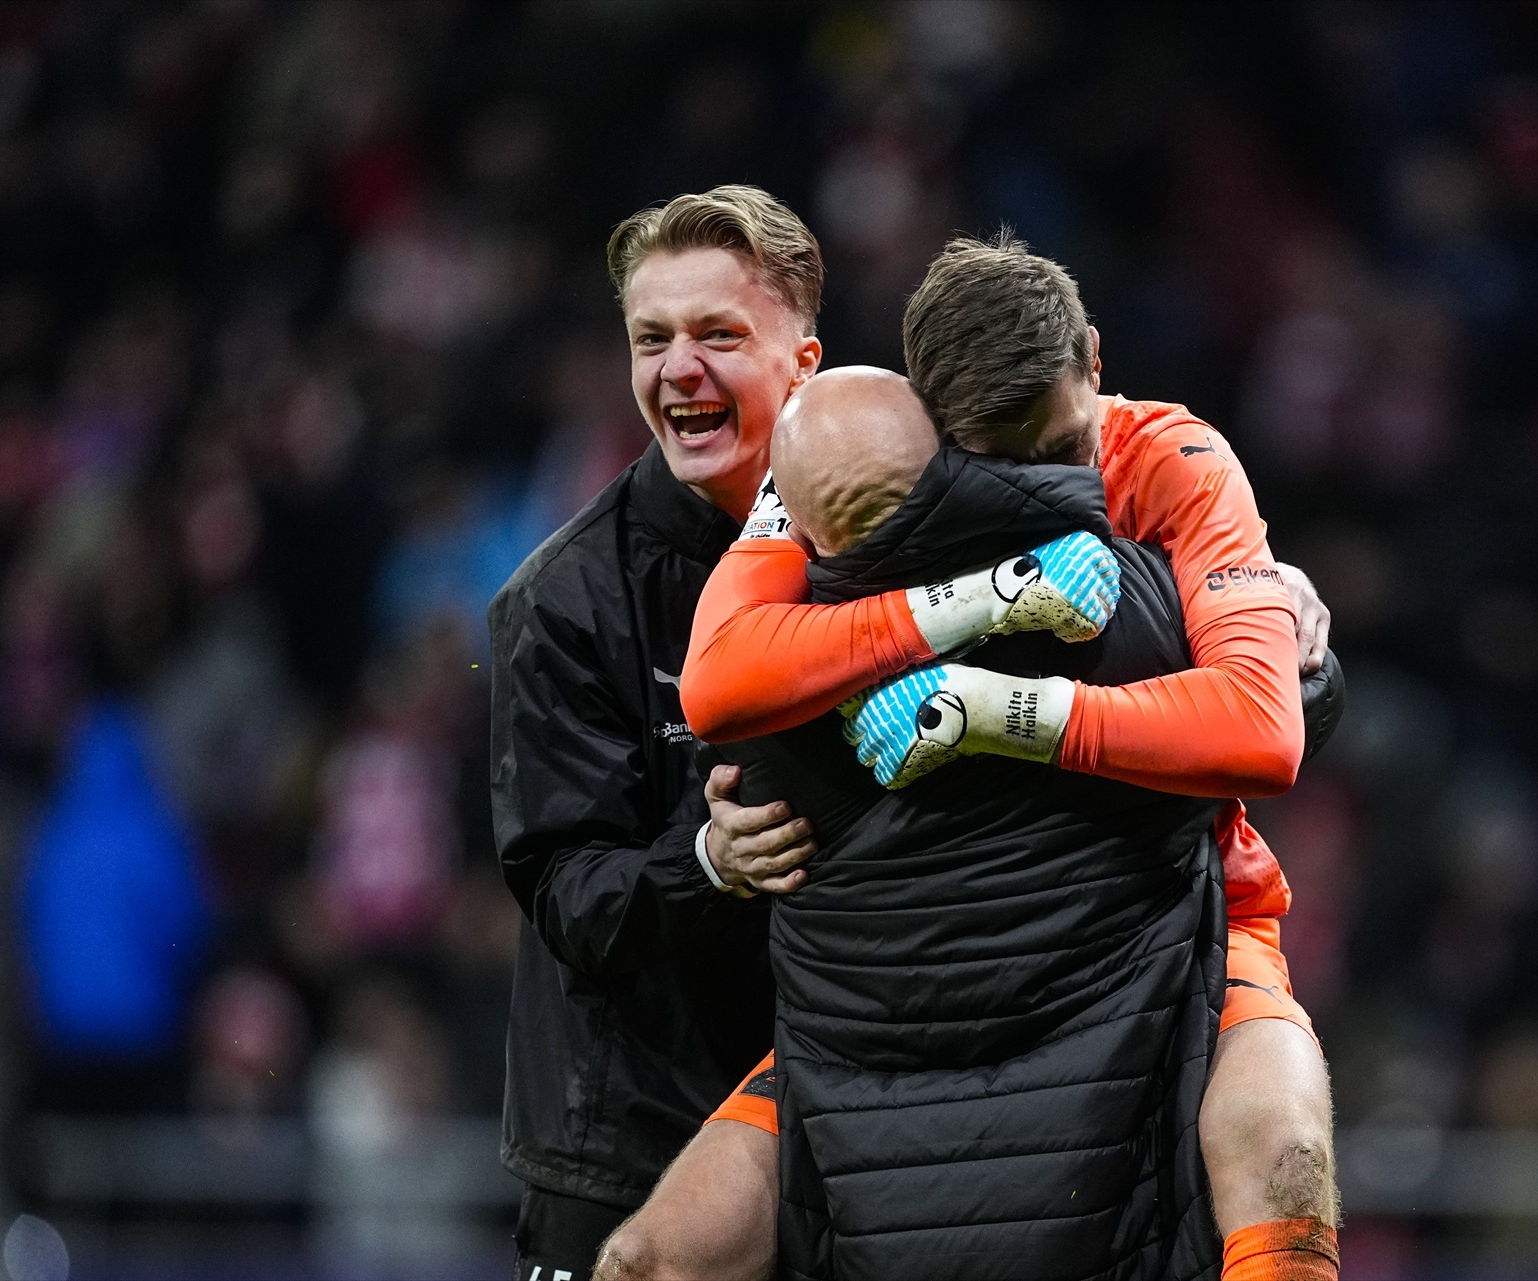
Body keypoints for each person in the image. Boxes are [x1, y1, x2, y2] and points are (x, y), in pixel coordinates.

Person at [613, 235, 1340, 1281]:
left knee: (1287, 1154)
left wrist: (999, 708)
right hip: (901, 980)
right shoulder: (859, 462)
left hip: (1177, 927)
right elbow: (719, 680)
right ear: (935, 428)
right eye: (1005, 468)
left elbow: (1263, 733)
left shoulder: (1173, 458)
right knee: (648, 1258)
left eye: (1065, 446)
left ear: (1093, 360)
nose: (1054, 489)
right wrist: (967, 602)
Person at [728, 367, 1231, 1275]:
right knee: (1284, 1157)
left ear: (800, 532)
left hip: (875, 1164)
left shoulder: (769, 720)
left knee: (652, 1253)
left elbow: (713, 695)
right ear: (952, 471)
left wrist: (710, 850)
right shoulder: (1129, 607)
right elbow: (1270, 726)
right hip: (1098, 1141)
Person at [489, 185, 830, 1280]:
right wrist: (706, 863)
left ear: (805, 362)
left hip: (844, 1138)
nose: (678, 368)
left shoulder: (888, 546)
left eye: (718, 335)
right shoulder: (565, 603)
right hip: (630, 1161)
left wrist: (1261, 592)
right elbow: (566, 890)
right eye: (652, 339)